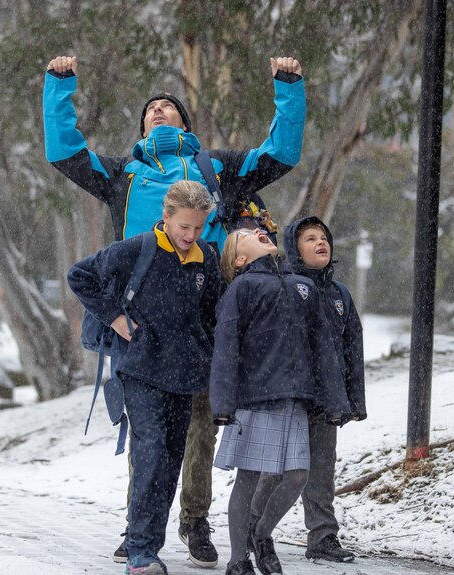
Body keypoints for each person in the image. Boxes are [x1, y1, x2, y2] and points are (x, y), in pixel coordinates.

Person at [44, 53, 307, 567]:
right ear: (143, 126)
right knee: (147, 435)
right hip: (141, 325)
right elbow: (66, 152)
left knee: (200, 428)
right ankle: (139, 529)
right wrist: (59, 86)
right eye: (151, 109)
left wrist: (289, 88)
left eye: (169, 107)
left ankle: (194, 520)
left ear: (186, 123)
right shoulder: (123, 173)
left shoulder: (217, 168)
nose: (159, 111)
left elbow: (281, 154)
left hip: (205, 320)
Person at [67, 181, 222, 575]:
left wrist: (209, 354)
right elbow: (80, 275)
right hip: (141, 369)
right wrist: (117, 320)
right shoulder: (135, 249)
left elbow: (211, 315)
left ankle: (149, 544)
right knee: (150, 452)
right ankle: (140, 552)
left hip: (185, 375)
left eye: (198, 228)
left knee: (170, 460)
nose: (190, 235)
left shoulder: (206, 258)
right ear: (166, 216)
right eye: (183, 226)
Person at [210, 227, 353, 575]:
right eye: (245, 234)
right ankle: (237, 559)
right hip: (256, 398)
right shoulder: (242, 287)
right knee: (249, 477)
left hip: (297, 399)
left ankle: (261, 535)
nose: (258, 230)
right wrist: (223, 402)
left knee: (297, 475)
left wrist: (335, 399)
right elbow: (226, 346)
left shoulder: (301, 286)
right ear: (239, 259)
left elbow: (323, 346)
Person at [249, 216, 368, 565]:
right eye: (310, 238)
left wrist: (353, 400)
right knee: (278, 468)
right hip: (291, 395)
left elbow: (353, 348)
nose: (321, 243)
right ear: (294, 250)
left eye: (324, 238)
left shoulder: (340, 294)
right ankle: (252, 529)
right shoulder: (284, 286)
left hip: (327, 398)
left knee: (321, 469)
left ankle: (323, 535)